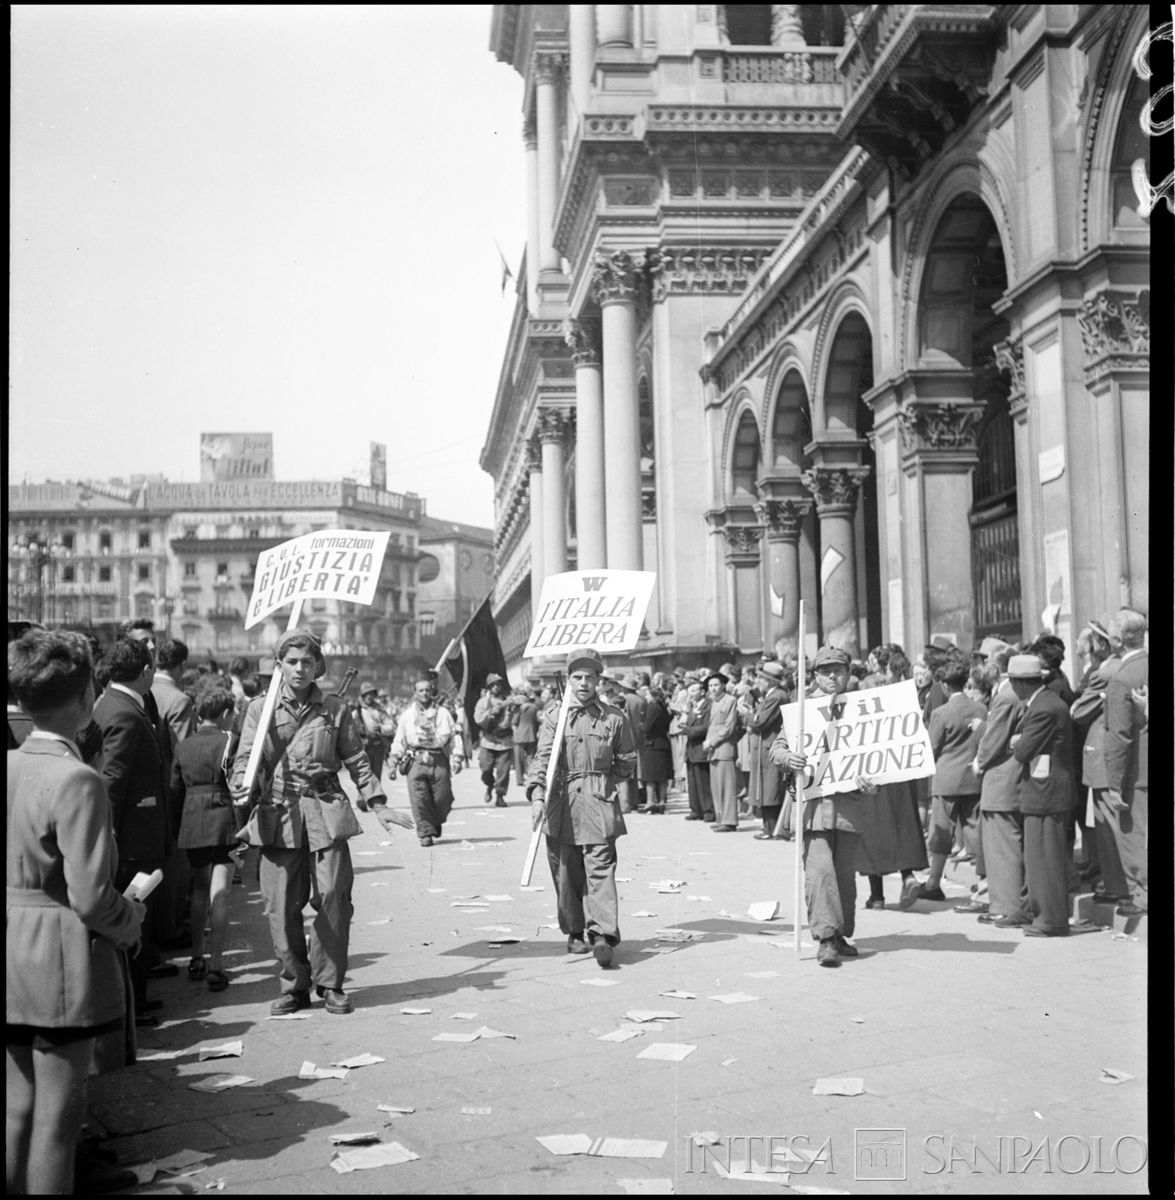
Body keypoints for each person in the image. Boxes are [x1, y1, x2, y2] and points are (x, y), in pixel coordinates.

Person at [7, 630, 145, 1195]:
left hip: (9, 947)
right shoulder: (77, 778)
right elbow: (89, 895)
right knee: (58, 1122)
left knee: (15, 1108)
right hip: (57, 958)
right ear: (86, 696)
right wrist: (129, 920)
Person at [229, 630, 411, 1015]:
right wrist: (240, 785)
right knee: (280, 906)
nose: (299, 668)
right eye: (291, 661)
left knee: (333, 898)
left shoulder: (334, 709)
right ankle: (294, 985)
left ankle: (330, 983)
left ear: (318, 667)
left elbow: (357, 760)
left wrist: (378, 803)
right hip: (278, 813)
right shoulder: (260, 710)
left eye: (307, 662)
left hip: (326, 810)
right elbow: (245, 757)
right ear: (279, 666)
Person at [526, 649, 637, 967]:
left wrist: (604, 783)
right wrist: (536, 795)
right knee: (566, 872)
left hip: (599, 803)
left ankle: (602, 935)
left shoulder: (614, 718)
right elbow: (542, 759)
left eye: (590, 677)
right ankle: (575, 931)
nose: (584, 682)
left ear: (599, 681)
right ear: (569, 679)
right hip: (561, 804)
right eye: (577, 677)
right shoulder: (554, 717)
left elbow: (627, 760)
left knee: (601, 869)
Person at [770, 646, 877, 967]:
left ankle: (841, 934)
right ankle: (826, 937)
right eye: (826, 671)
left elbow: (877, 753)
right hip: (813, 809)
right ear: (815, 674)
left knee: (844, 877)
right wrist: (790, 758)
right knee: (820, 874)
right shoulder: (800, 710)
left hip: (848, 808)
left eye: (839, 670)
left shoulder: (861, 708)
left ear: (848, 673)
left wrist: (875, 780)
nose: (833, 676)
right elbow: (777, 749)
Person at [92, 636, 174, 1025]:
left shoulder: (117, 703)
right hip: (131, 841)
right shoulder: (124, 712)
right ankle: (130, 1005)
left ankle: (136, 1000)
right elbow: (113, 781)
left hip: (134, 836)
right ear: (145, 672)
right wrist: (105, 837)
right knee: (134, 917)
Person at [171, 678, 239, 993]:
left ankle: (196, 957)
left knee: (199, 889)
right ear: (225, 712)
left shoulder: (183, 745)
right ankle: (216, 963)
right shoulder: (231, 742)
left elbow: (175, 789)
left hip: (192, 820)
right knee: (221, 892)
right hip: (224, 818)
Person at [1007, 654, 1076, 937]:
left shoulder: (1044, 708)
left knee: (1046, 859)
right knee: (1037, 858)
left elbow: (1023, 751)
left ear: (1019, 684)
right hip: (1043, 790)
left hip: (1047, 792)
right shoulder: (1043, 703)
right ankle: (1036, 909)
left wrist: (1016, 742)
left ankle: (1051, 919)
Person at [913, 660, 987, 906]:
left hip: (946, 778)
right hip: (973, 777)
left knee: (941, 832)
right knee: (974, 829)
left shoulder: (940, 713)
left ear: (944, 685)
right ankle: (985, 881)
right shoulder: (979, 709)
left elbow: (932, 747)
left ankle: (933, 883)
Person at [1101, 609, 1148, 917]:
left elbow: (1119, 736)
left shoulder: (1121, 679)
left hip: (1136, 772)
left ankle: (1142, 895)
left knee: (1134, 835)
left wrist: (1115, 784)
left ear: (1118, 641)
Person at [388, 674, 465, 847]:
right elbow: (399, 739)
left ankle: (436, 820)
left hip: (438, 759)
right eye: (420, 690)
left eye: (427, 690)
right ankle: (425, 832)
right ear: (414, 693)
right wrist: (393, 761)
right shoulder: (407, 716)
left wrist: (457, 758)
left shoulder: (443, 714)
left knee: (443, 798)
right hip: (416, 761)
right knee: (419, 799)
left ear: (432, 692)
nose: (424, 693)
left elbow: (454, 736)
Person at [745, 660, 789, 839]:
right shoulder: (772, 695)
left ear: (768, 681)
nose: (758, 683)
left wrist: (747, 714)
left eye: (761, 679)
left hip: (769, 747)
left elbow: (760, 722)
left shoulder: (776, 696)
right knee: (766, 788)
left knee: (770, 789)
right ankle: (769, 827)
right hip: (764, 748)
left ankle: (772, 829)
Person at [703, 672, 741, 832]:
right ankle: (721, 818)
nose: (713, 688)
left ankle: (729, 819)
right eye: (710, 685)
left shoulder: (730, 701)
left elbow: (729, 727)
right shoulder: (712, 702)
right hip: (713, 749)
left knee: (727, 786)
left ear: (724, 685)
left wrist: (711, 741)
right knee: (717, 786)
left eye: (716, 684)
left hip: (724, 747)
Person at [473, 674, 514, 807]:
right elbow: (478, 720)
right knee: (485, 768)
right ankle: (489, 784)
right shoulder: (483, 702)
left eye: (498, 684)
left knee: (503, 771)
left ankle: (500, 795)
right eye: (493, 685)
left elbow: (513, 720)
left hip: (504, 741)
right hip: (488, 741)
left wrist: (511, 707)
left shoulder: (507, 701)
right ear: (489, 687)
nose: (496, 687)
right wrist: (491, 712)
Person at [682, 678, 716, 823]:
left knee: (704, 782)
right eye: (690, 690)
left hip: (701, 748)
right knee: (693, 781)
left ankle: (708, 810)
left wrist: (688, 731)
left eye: (694, 690)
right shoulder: (691, 706)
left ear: (702, 692)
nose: (691, 693)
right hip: (691, 749)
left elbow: (706, 726)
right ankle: (695, 809)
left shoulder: (708, 706)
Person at [639, 681, 673, 812]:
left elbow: (647, 727)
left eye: (647, 694)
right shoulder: (663, 707)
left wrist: (640, 724)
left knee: (650, 776)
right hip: (663, 743)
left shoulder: (652, 706)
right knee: (662, 777)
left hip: (652, 745)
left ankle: (650, 802)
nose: (646, 696)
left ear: (652, 695)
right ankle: (662, 802)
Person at [358, 681, 395, 782]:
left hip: (377, 745)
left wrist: (381, 728)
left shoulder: (380, 710)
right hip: (362, 747)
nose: (369, 696)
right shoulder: (357, 710)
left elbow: (391, 726)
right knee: (364, 777)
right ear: (363, 696)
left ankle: (375, 797)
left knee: (376, 777)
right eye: (367, 694)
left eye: (371, 693)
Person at [511, 688, 539, 787]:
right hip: (531, 735)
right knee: (531, 758)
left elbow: (514, 722)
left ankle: (519, 779)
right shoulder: (534, 707)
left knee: (518, 759)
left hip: (519, 736)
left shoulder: (518, 708)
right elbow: (536, 721)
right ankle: (531, 777)